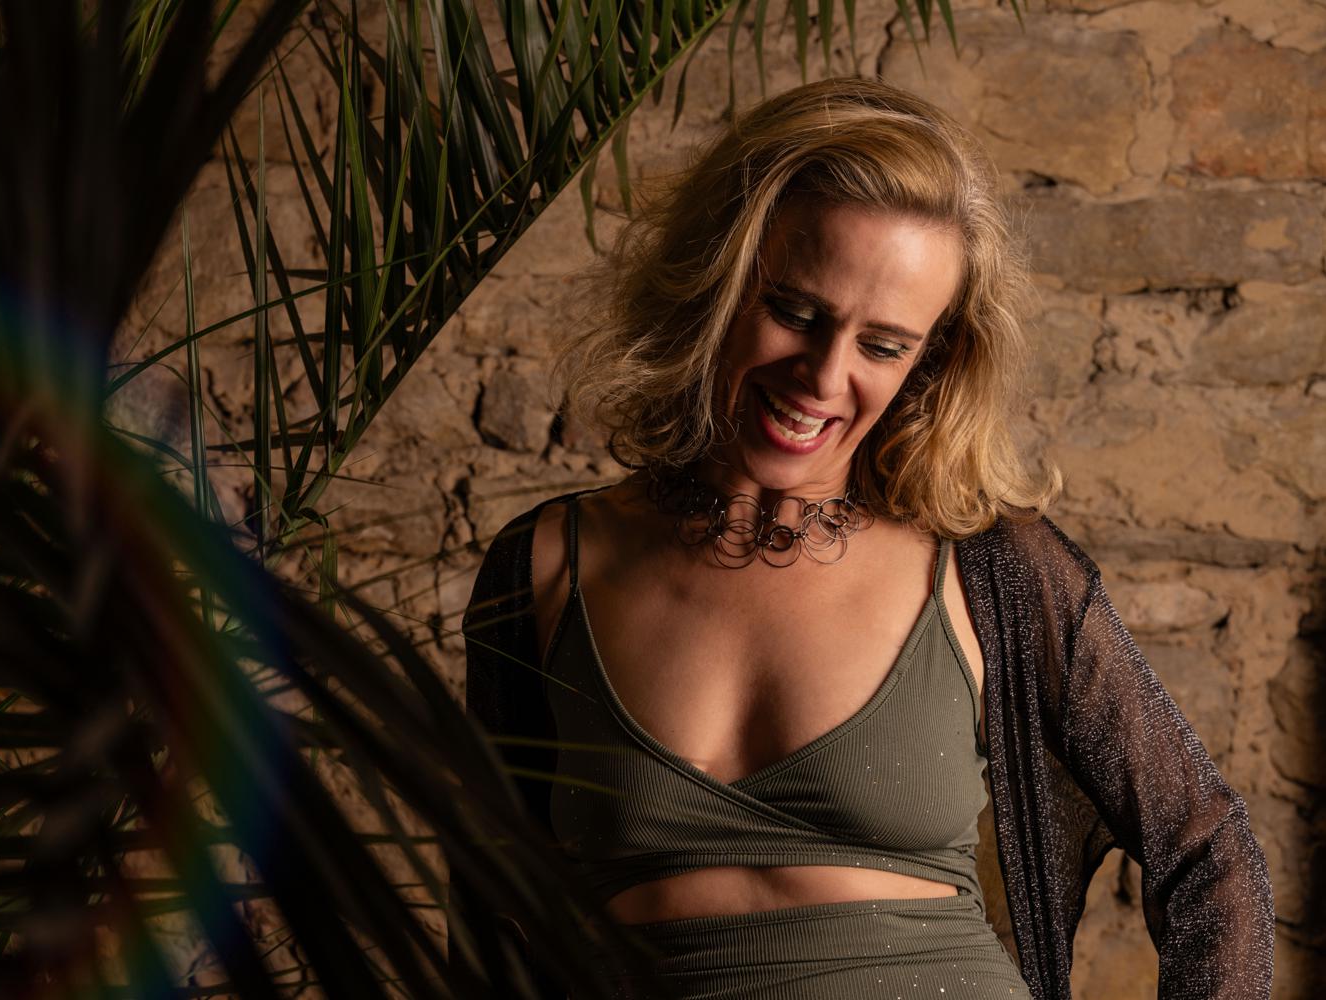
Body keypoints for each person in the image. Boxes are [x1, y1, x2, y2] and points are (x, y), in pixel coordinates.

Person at [452, 78, 1274, 999]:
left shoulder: (990, 568)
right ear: (718, 279)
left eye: (883, 345)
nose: (823, 376)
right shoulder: (545, 565)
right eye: (795, 312)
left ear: (932, 359)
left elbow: (1208, 848)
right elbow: (492, 916)